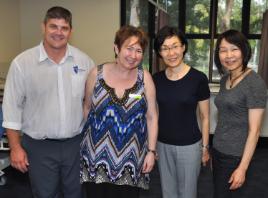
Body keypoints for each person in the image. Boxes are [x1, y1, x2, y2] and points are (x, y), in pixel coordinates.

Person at [2, 6, 94, 198]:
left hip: (74, 145)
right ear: (43, 27)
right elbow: (11, 109)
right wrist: (16, 148)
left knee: (76, 193)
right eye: (53, 26)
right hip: (38, 147)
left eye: (64, 28)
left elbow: (93, 102)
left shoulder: (84, 62)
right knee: (45, 195)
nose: (58, 32)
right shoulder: (23, 63)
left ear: (71, 31)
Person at [80, 25, 158, 198]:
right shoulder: (96, 74)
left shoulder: (145, 79)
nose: (133, 55)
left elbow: (152, 117)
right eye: (129, 49)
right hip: (96, 159)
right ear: (116, 48)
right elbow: (86, 109)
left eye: (138, 50)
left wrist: (151, 152)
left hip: (131, 160)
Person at [153, 26, 210, 198]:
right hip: (162, 145)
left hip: (190, 146)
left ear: (183, 47)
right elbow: (154, 115)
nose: (171, 53)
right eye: (164, 48)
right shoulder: (156, 79)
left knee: (187, 193)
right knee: (167, 192)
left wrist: (205, 148)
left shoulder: (198, 78)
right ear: (159, 53)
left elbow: (205, 117)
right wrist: (152, 145)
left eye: (175, 46)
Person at [212, 29, 267, 198]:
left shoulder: (254, 83)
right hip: (218, 150)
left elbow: (255, 131)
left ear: (244, 50)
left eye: (234, 49)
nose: (229, 55)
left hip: (236, 156)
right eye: (223, 50)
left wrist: (242, 168)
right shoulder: (225, 79)